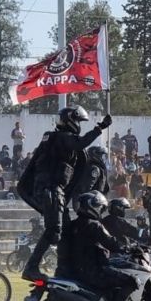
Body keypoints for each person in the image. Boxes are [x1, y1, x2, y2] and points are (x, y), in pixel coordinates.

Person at [17, 105, 111, 281]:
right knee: (54, 231)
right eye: (77, 121)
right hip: (51, 189)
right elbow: (80, 143)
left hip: (53, 191)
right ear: (70, 121)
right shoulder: (62, 137)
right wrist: (99, 129)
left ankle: (65, 269)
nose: (78, 124)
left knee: (66, 230)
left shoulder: (52, 139)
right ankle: (31, 267)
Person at [69, 191, 136, 301]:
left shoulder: (71, 225)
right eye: (99, 207)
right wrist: (125, 248)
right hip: (94, 271)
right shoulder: (94, 225)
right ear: (92, 207)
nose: (100, 210)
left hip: (73, 271)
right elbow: (111, 242)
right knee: (132, 281)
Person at [71, 146, 110, 212]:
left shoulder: (92, 166)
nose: (102, 158)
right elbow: (87, 187)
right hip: (89, 201)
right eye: (101, 155)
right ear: (95, 154)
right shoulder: (94, 169)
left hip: (90, 200)